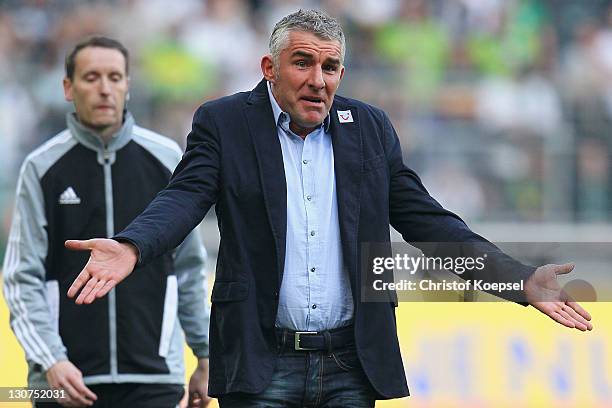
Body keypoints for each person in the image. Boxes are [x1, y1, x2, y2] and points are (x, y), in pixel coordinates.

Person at [64, 11, 592, 408]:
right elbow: (184, 196)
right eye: (303, 63)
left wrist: (517, 281)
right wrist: (133, 245)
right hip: (260, 360)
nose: (319, 79)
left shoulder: (369, 128)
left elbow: (426, 220)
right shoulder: (224, 123)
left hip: (351, 362)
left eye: (331, 66)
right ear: (269, 67)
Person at [2, 36, 212, 408]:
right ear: (68, 87)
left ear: (128, 86)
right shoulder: (41, 167)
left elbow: (189, 269)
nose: (104, 88)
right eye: (91, 77)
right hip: (63, 380)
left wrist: (206, 353)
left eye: (115, 77)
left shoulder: (167, 158)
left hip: (154, 378)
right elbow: (22, 277)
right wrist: (51, 359)